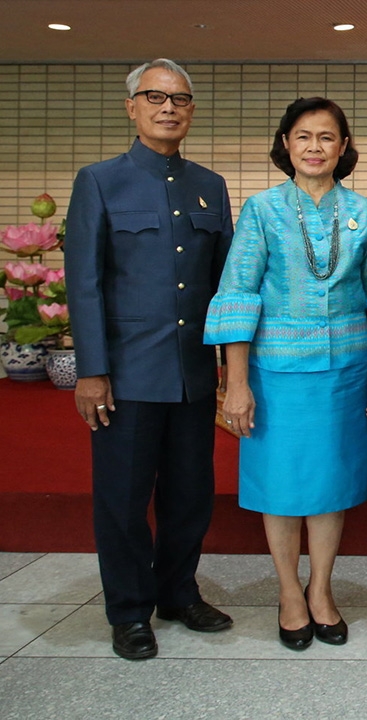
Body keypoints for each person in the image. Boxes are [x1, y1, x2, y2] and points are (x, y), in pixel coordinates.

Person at [64, 59, 234, 660]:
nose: (169, 108)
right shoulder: (100, 181)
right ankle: (130, 610)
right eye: (155, 97)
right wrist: (91, 369)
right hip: (127, 373)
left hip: (191, 372)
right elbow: (83, 283)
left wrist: (227, 370)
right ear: (131, 107)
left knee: (191, 493)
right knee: (124, 496)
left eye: (181, 99)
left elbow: (223, 286)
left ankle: (178, 593)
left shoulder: (209, 186)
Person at [204, 97, 367, 651]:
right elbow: (236, 295)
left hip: (347, 371)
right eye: (303, 136)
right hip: (274, 372)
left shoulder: (366, 212)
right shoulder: (261, 210)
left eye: (326, 137)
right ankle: (288, 593)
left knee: (330, 486)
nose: (314, 147)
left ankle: (322, 590)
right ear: (286, 145)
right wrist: (235, 384)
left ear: (344, 147)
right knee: (282, 487)